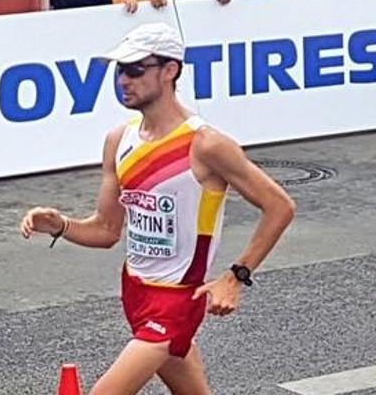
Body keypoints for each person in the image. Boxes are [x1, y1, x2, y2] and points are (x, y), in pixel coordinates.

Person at [19, 23, 295, 394]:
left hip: (177, 300)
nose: (123, 80)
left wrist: (235, 276)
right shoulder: (118, 140)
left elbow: (280, 206)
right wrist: (60, 225)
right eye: (120, 70)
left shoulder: (206, 145)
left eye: (135, 70)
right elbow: (105, 231)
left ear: (170, 71)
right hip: (134, 291)